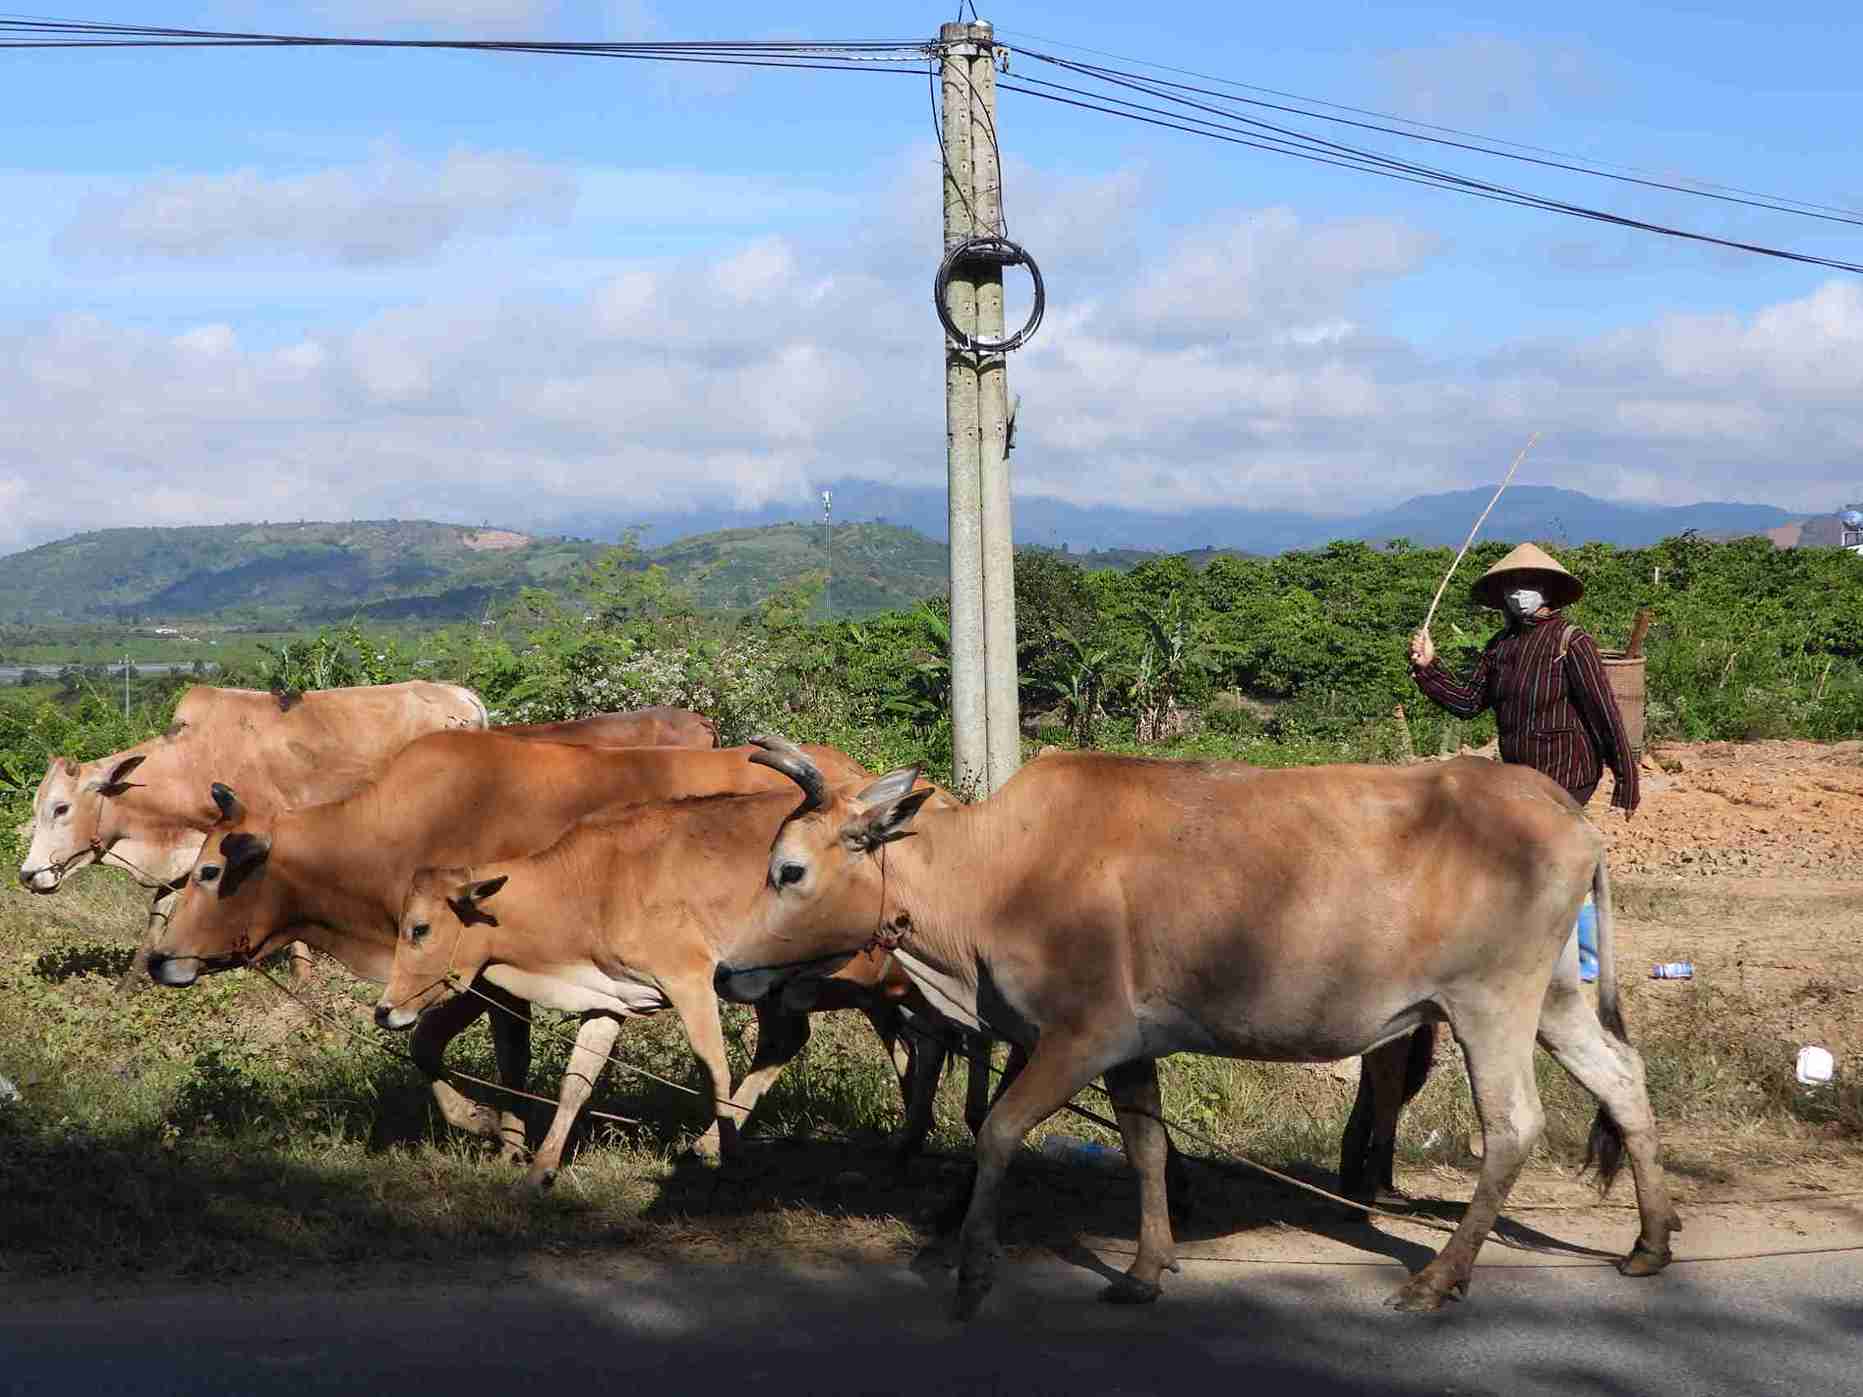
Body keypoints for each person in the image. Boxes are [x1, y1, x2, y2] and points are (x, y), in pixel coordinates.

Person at [1409, 543, 1640, 981]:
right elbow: (1468, 702)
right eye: (1512, 586)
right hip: (1519, 776)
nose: (1520, 593)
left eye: (1529, 584)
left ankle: (1582, 958)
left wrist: (1625, 777)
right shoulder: (1500, 647)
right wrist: (1428, 668)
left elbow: (1604, 712)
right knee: (1529, 860)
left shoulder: (1572, 643)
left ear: (1549, 590)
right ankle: (1536, 951)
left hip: (1568, 772)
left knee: (1552, 857)